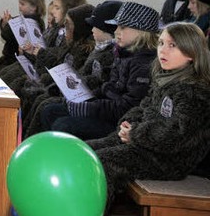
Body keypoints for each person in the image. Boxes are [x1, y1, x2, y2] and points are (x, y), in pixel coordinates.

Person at [87, 22, 210, 211]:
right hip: (146, 144)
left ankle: (93, 210)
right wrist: (129, 124)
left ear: (192, 53)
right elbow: (143, 108)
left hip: (170, 159)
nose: (163, 50)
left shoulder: (195, 92)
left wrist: (135, 133)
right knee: (86, 150)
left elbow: (176, 134)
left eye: (172, 45)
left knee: (104, 162)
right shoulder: (166, 78)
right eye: (161, 43)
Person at [41, 1, 159, 140]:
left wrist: (88, 109)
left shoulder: (143, 64)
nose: (116, 32)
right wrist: (85, 100)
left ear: (141, 32)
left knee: (63, 125)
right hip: (107, 111)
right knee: (50, 111)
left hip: (120, 123)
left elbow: (127, 107)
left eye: (122, 27)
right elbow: (109, 88)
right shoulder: (123, 53)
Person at [23, 0, 122, 138]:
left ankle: (32, 141)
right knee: (42, 102)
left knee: (49, 109)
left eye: (95, 26)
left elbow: (101, 85)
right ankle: (26, 137)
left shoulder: (107, 53)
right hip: (81, 97)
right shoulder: (96, 48)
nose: (92, 29)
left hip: (94, 106)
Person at [0, 0, 45, 74]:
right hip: (11, 59)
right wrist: (6, 24)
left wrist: (8, 24)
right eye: (19, 3)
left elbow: (6, 35)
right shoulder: (36, 21)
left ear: (33, 7)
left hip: (14, 60)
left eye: (22, 4)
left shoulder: (29, 23)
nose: (19, 6)